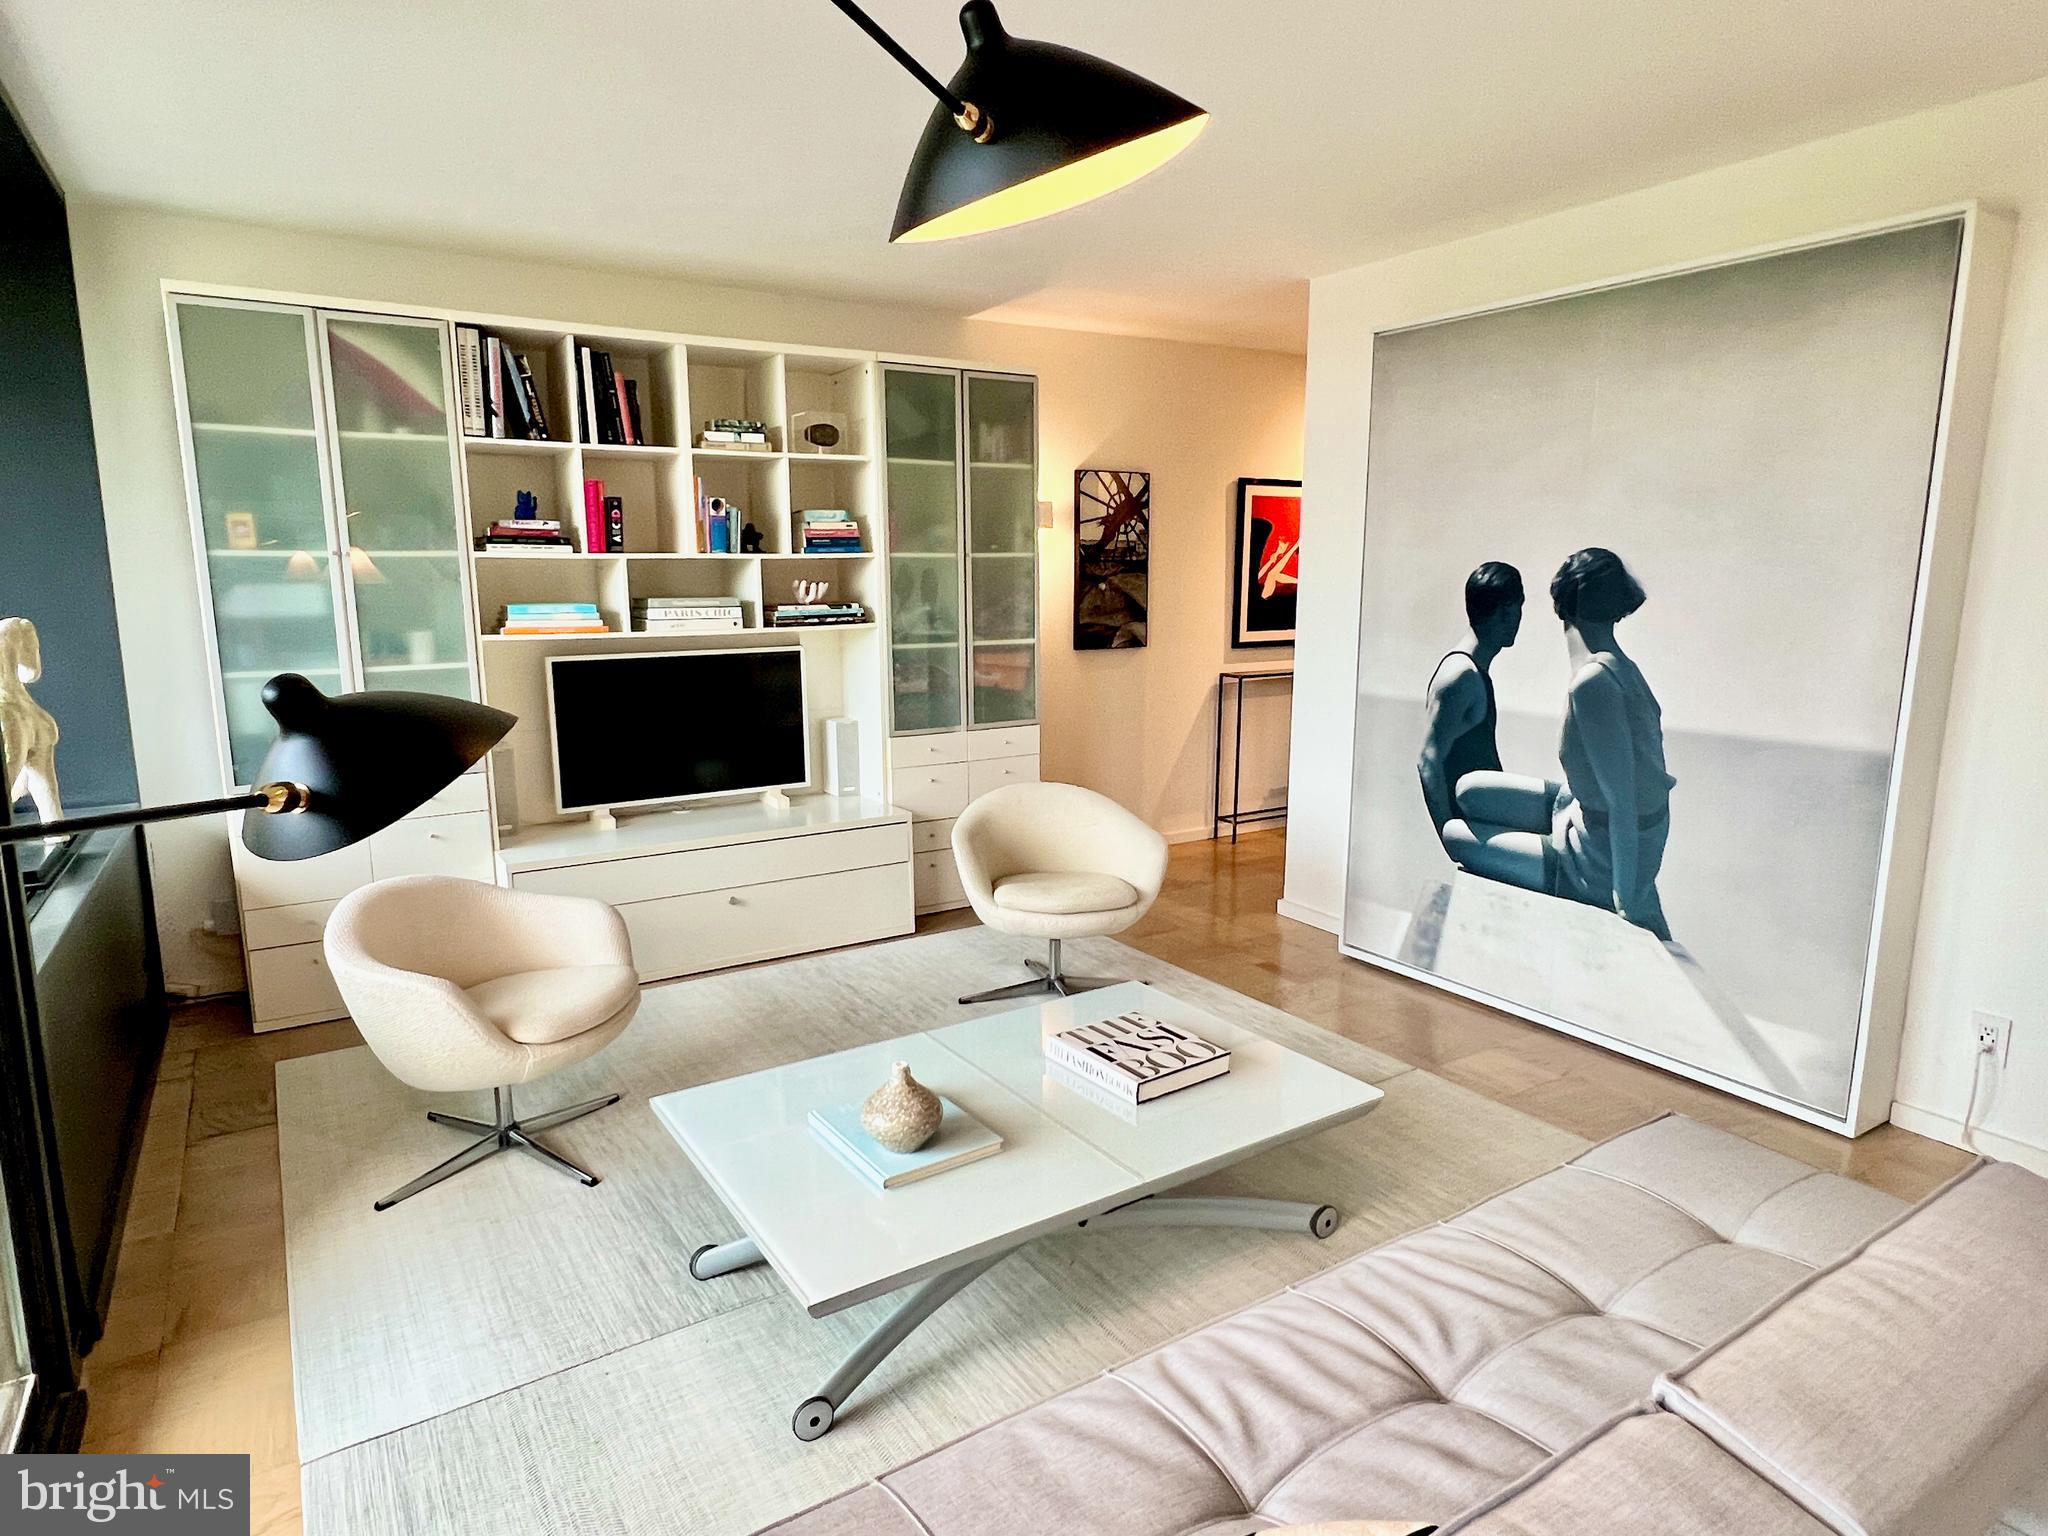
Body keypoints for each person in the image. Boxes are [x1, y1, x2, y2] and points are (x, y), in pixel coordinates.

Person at [1442, 549, 1676, 940]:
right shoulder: (1616, 666)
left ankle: (1583, 882)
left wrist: (1626, 899)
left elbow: (1622, 801)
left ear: (1562, 602)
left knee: (1455, 834)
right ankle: (1567, 843)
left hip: (1599, 850)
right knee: (1469, 790)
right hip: (1583, 812)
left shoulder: (1594, 683)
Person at [1416, 562, 1523, 836]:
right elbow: (1429, 760)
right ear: (1504, 613)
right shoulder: (1462, 675)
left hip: (1485, 820)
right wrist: (1451, 835)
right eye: (1512, 611)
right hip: (1474, 828)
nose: (1516, 620)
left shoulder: (1473, 672)